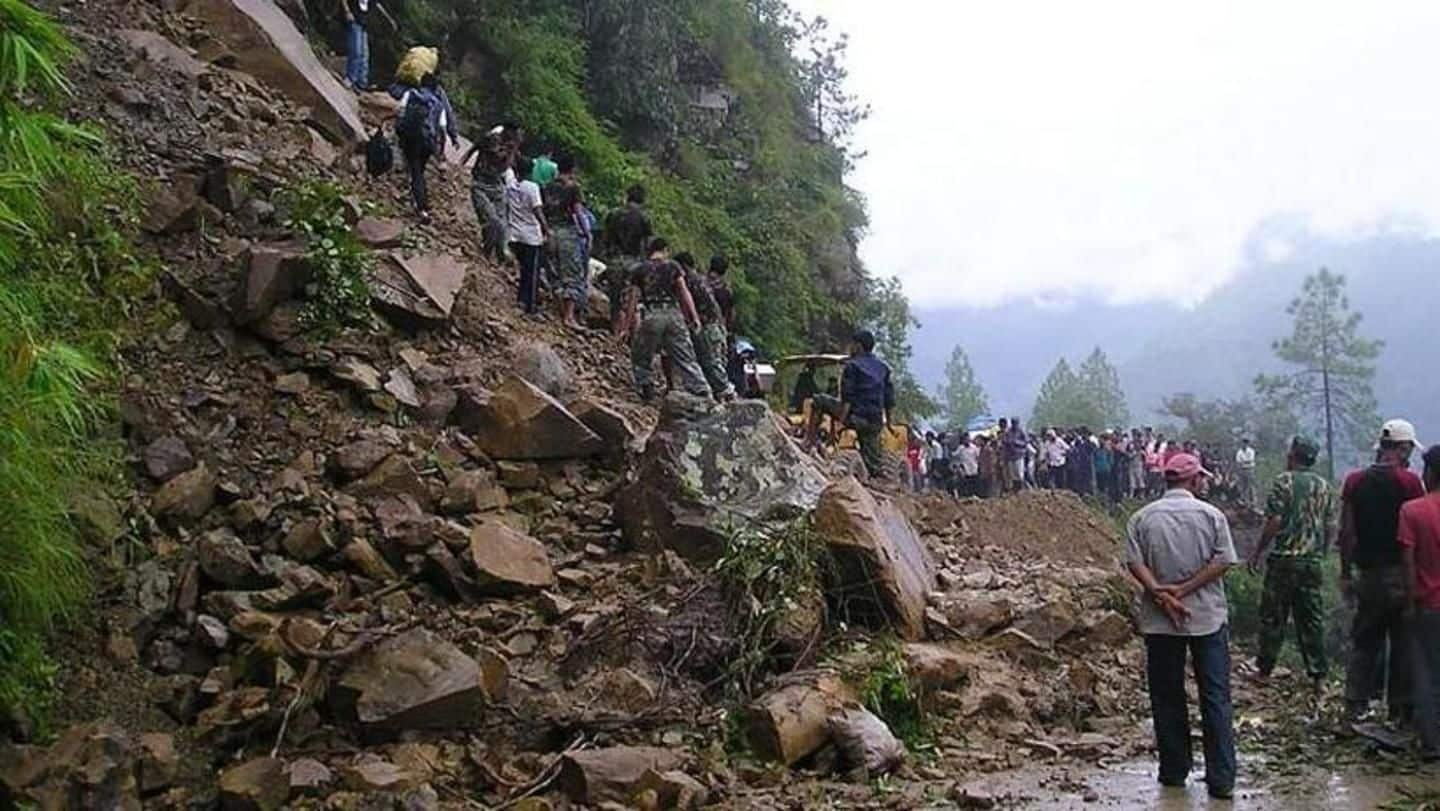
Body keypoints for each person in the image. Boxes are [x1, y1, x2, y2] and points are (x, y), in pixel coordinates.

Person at [1125, 453, 1238, 800]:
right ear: (1193, 481)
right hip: (1206, 617)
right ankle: (1221, 778)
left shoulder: (1142, 518)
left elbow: (1134, 563)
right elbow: (1224, 561)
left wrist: (1161, 595)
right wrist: (1185, 591)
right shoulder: (1210, 515)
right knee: (1214, 695)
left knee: (1166, 694)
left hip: (1160, 623)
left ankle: (1174, 771)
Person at [1340, 418, 1425, 724]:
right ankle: (1399, 710)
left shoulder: (1355, 481)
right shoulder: (1410, 483)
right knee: (1402, 641)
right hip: (1400, 573)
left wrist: (1345, 573)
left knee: (1365, 639)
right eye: (1408, 449)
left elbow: (1346, 532)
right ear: (1402, 448)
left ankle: (1355, 705)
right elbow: (1413, 533)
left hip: (1368, 574)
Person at [1245, 437, 1335, 692]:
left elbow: (1274, 521)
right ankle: (1318, 676)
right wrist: (1323, 552)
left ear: (1293, 454)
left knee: (1274, 616)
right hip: (1311, 561)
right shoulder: (1324, 486)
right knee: (1311, 617)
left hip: (1285, 559)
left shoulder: (1283, 481)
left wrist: (1258, 552)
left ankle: (1264, 670)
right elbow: (1330, 525)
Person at [621, 238, 710, 401]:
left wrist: (626, 327)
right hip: (673, 314)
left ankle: (646, 386)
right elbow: (684, 293)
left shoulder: (640, 270)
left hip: (652, 315)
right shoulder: (673, 266)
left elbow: (632, 299)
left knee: (641, 354)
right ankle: (700, 388)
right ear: (665, 250)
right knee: (685, 354)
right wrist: (694, 316)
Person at [804, 330, 894, 480]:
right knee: (873, 464)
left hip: (855, 416)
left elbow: (848, 398)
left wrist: (840, 421)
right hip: (874, 422)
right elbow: (889, 399)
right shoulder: (883, 368)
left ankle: (809, 442)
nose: (849, 348)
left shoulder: (852, 365)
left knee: (818, 400)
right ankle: (876, 483)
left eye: (851, 345)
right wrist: (889, 424)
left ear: (858, 346)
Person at [1399, 444, 1440, 760]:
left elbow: (1408, 563)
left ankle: (1430, 742)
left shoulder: (1412, 511)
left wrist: (1410, 603)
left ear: (1430, 473)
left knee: (1425, 674)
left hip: (1427, 606)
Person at [394, 73, 459, 223]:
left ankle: (421, 206)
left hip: (411, 137)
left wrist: (399, 129)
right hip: (428, 142)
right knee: (419, 170)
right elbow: (442, 129)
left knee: (415, 170)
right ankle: (419, 200)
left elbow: (400, 112)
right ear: (435, 88)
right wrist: (440, 154)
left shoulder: (411, 94)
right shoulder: (438, 104)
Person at [675, 252, 735, 400]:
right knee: (715, 362)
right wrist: (726, 330)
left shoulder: (697, 281)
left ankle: (723, 392)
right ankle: (721, 393)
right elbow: (729, 313)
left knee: (707, 361)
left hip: (704, 325)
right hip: (717, 326)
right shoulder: (725, 289)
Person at [543, 155, 588, 328]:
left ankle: (557, 310)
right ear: (572, 170)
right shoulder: (573, 187)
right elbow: (578, 212)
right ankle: (568, 317)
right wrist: (586, 233)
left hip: (549, 231)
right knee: (572, 274)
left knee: (555, 272)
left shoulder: (548, 186)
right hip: (567, 234)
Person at [463, 124, 516, 264]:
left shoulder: (510, 146)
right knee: (491, 219)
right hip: (481, 183)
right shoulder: (491, 139)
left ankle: (500, 253)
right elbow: (476, 149)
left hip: (496, 184)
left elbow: (505, 167)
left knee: (501, 221)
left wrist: (512, 151)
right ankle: (488, 249)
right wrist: (462, 162)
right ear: (508, 131)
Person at [601, 185, 652, 331]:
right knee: (632, 300)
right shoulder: (644, 217)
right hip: (634, 262)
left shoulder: (614, 214)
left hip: (615, 260)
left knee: (615, 298)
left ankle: (615, 330)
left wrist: (608, 254)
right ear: (642, 199)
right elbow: (647, 244)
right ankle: (630, 334)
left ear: (627, 196)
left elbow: (606, 238)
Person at [505, 156, 547, 315]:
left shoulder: (510, 183)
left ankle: (521, 300)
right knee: (532, 273)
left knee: (523, 269)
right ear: (531, 171)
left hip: (514, 234)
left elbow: (509, 167)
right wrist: (546, 229)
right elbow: (538, 211)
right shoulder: (532, 187)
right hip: (531, 237)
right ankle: (530, 306)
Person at [341, 0, 392, 91]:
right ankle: (350, 78)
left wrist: (389, 19)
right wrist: (347, 11)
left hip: (363, 25)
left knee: (364, 55)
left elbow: (378, 6)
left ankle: (361, 83)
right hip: (354, 21)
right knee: (356, 51)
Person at [954, 433, 981, 498]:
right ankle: (968, 496)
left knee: (974, 483)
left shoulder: (974, 447)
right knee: (966, 484)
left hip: (974, 468)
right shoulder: (960, 448)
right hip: (965, 469)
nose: (966, 440)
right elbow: (955, 456)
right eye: (965, 439)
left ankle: (975, 496)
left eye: (967, 439)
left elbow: (978, 457)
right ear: (963, 440)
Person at [1235, 438, 1258, 511]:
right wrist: (1245, 462)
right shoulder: (1239, 452)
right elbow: (1238, 462)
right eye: (1243, 443)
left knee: (1251, 486)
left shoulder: (1251, 451)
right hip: (1242, 470)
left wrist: (1244, 462)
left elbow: (1250, 460)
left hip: (1250, 470)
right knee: (1243, 486)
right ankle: (1243, 500)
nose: (1244, 444)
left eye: (1246, 443)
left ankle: (1253, 502)